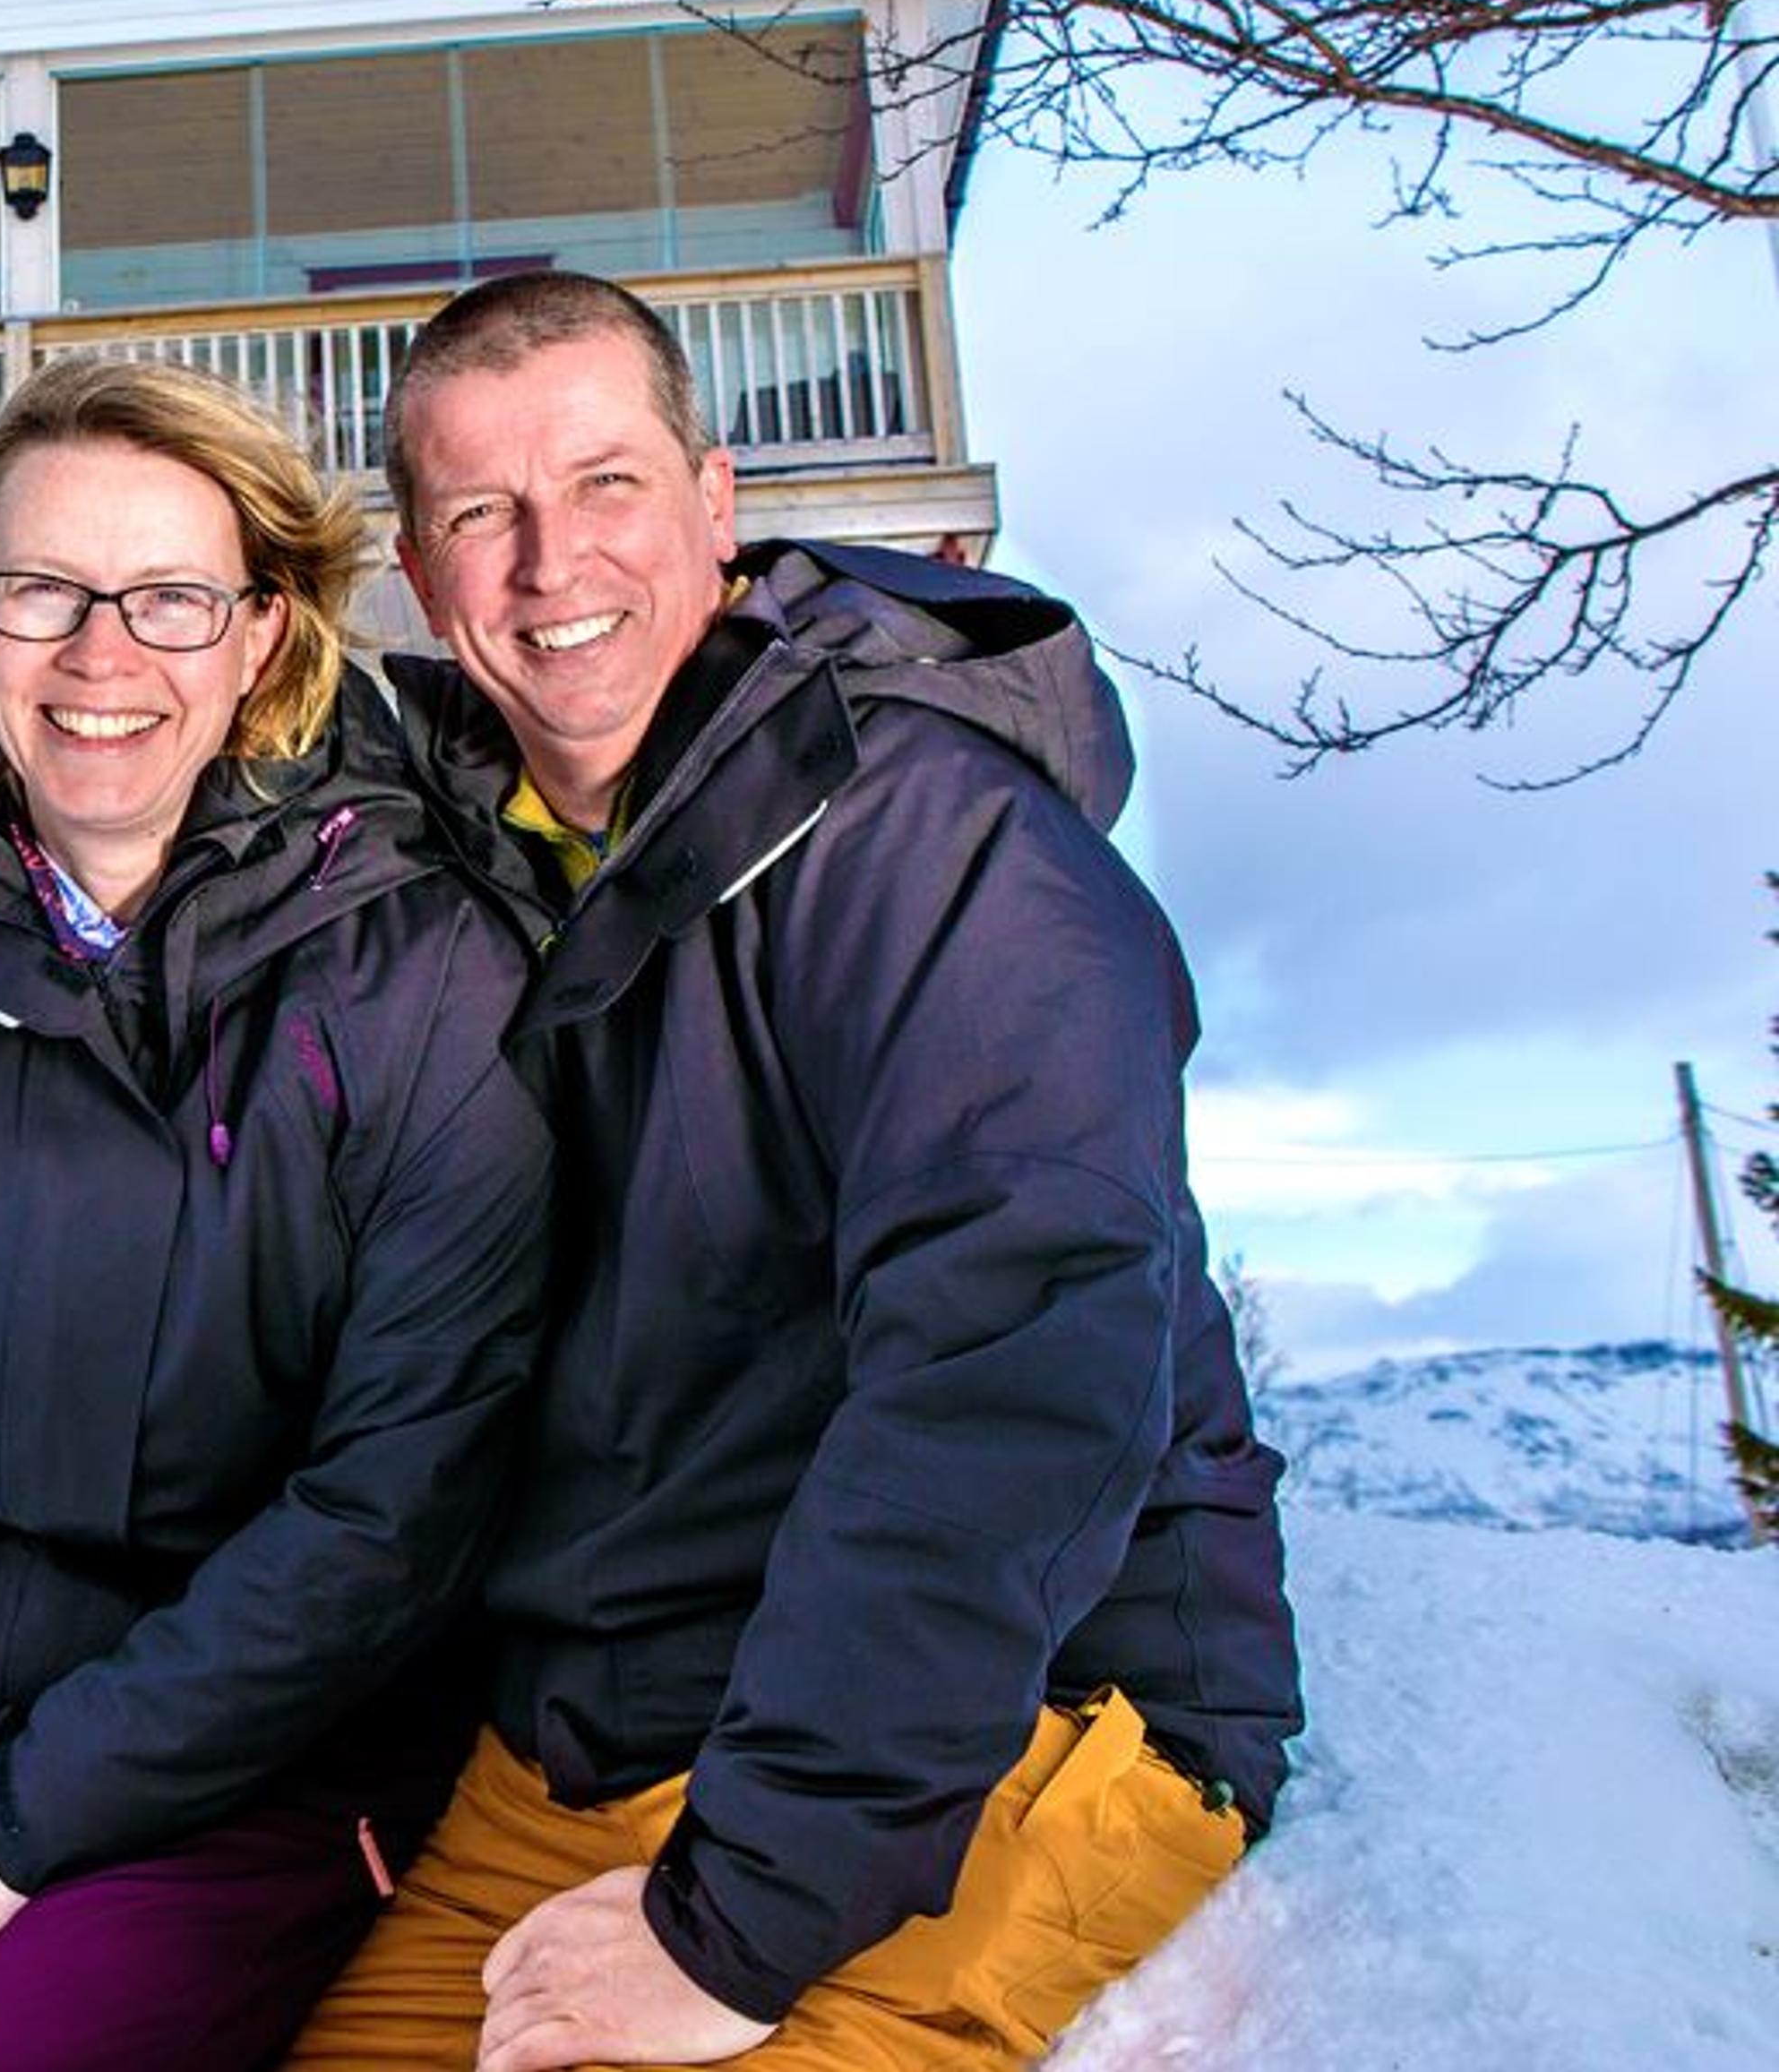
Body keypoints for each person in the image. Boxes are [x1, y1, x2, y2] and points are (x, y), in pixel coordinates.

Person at [288, 273, 1303, 2072]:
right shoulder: (470, 885)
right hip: (590, 1742)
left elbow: (1016, 1361)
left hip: (1020, 1725)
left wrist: (739, 1922)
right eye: (480, 513)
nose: (548, 561)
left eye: (606, 484)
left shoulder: (937, 844)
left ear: (715, 501)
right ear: (424, 577)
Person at [0, 354, 557, 2071]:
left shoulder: (420, 985)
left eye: (171, 596)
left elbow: (397, 1503)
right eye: (45, 590)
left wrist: (30, 1824)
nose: (102, 653)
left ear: (262, 634)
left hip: (254, 1758)